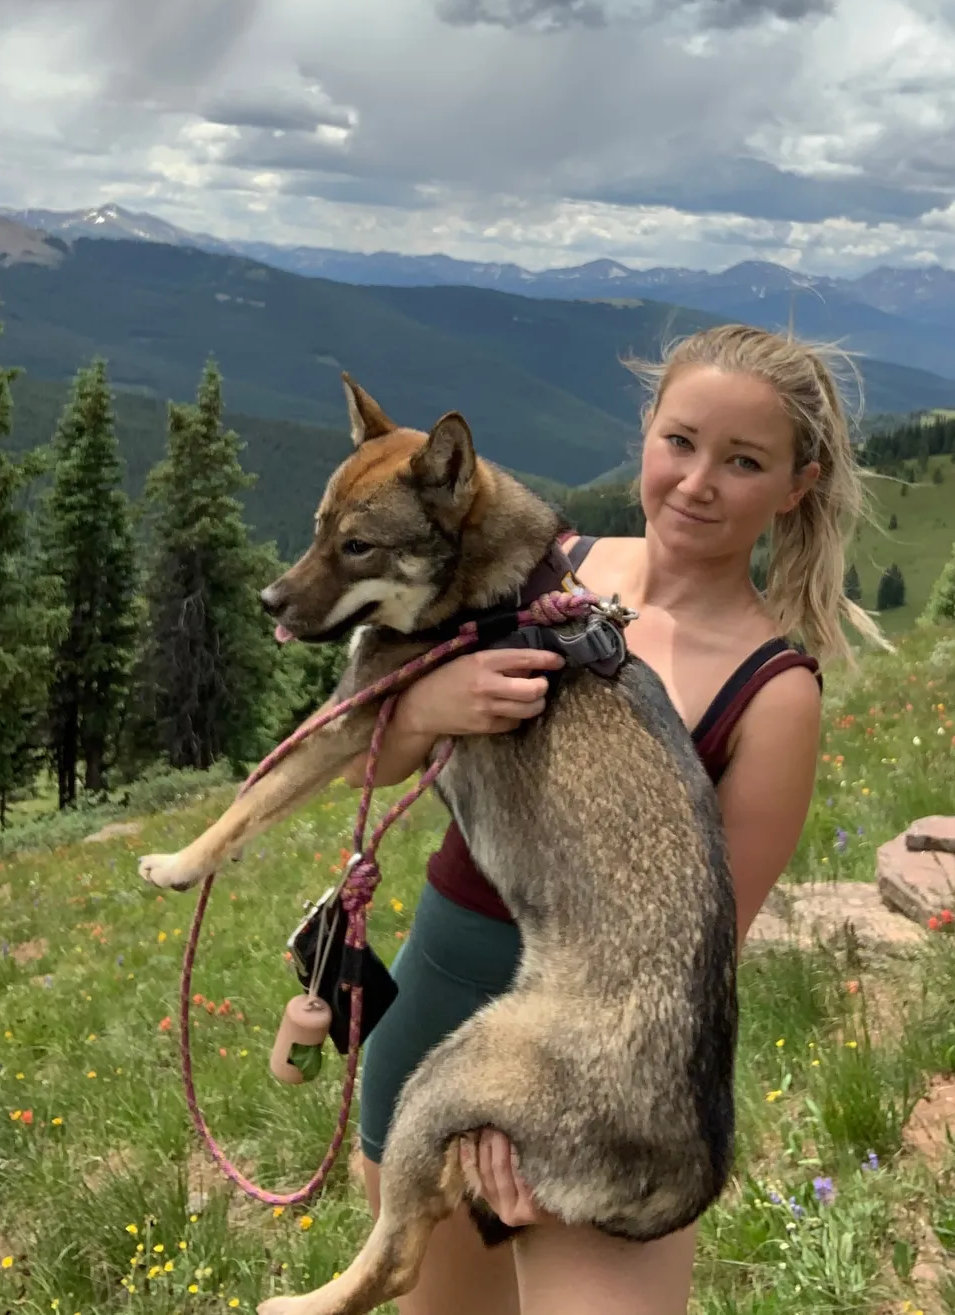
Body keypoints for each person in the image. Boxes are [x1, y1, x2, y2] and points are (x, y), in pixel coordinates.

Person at [347, 323, 888, 1315]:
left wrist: (534, 1108)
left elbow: (685, 961)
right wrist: (428, 708)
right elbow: (370, 762)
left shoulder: (771, 692)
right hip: (435, 1010)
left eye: (743, 461)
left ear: (794, 486)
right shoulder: (542, 565)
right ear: (644, 430)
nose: (696, 482)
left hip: (601, 1090)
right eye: (678, 441)